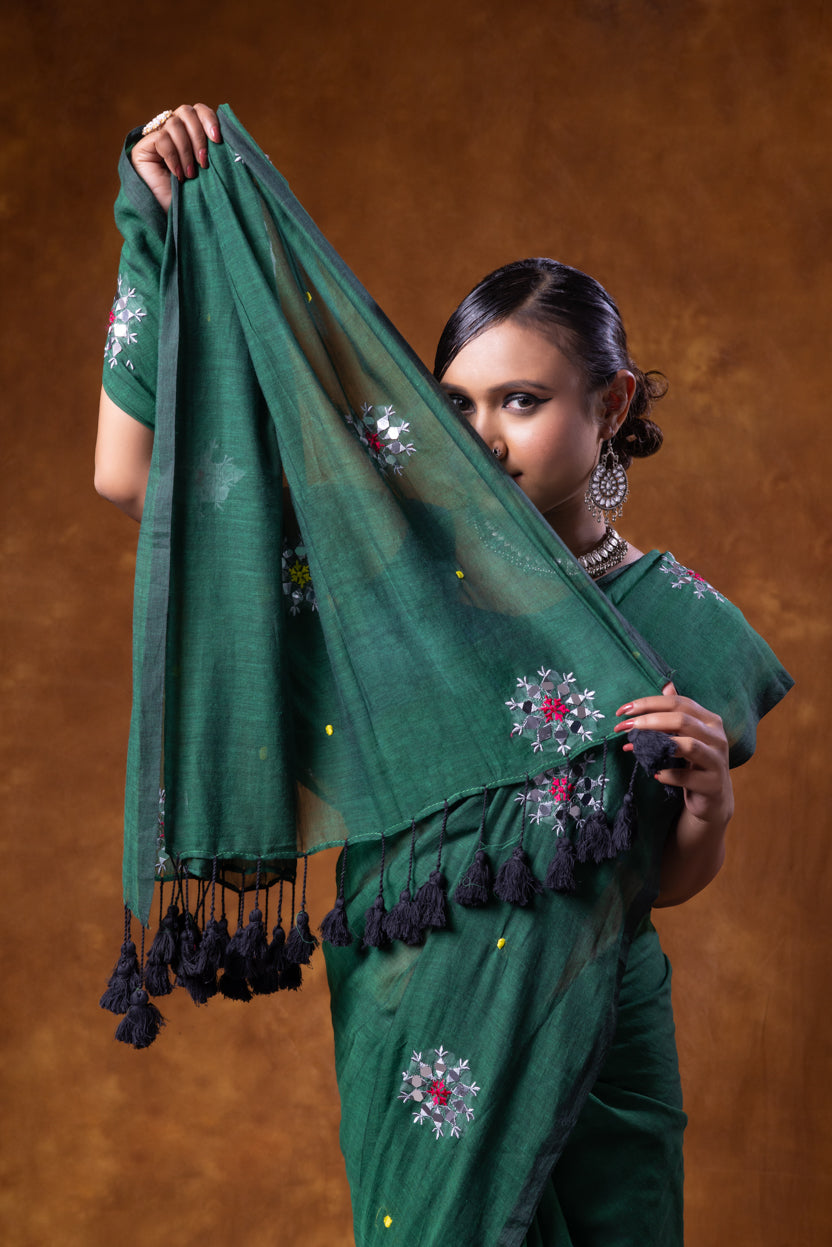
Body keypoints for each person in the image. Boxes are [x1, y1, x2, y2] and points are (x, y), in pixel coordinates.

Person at [96, 104, 791, 1245]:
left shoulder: (681, 623)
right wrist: (158, 224)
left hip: (598, 1032)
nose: (485, 435)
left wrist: (708, 803)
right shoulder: (387, 580)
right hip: (414, 1015)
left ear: (608, 406)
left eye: (521, 400)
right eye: (456, 404)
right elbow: (133, 477)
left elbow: (654, 885)